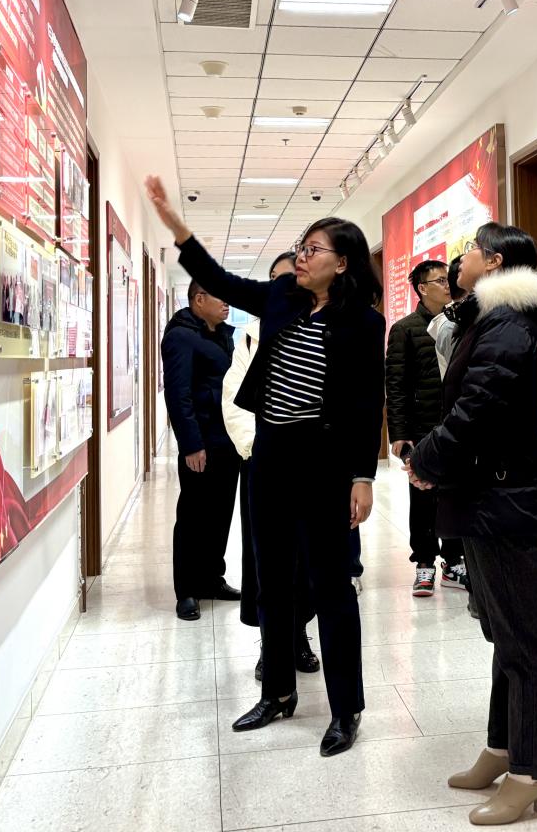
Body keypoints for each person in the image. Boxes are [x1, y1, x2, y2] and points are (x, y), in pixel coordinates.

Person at [146, 175, 384, 758]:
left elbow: (364, 404)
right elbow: (223, 280)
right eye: (301, 247)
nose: (301, 257)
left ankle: (346, 707)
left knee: (331, 586)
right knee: (271, 581)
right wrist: (179, 229)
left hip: (324, 463)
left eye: (313, 250)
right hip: (271, 458)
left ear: (342, 263)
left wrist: (363, 476)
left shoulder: (362, 322)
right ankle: (277, 692)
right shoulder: (281, 297)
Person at [407, 222, 537, 825]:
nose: (460, 259)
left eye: (470, 249)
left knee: (524, 643)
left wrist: (427, 460)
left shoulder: (508, 325)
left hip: (502, 498)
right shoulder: (492, 319)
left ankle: (533, 773)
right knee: (505, 636)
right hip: (486, 494)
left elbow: (476, 411)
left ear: (494, 261)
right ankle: (504, 749)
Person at [222, 250, 320, 682]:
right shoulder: (251, 336)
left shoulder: (321, 327)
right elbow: (234, 399)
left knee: (305, 558)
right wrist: (255, 448)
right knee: (266, 562)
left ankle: (298, 636)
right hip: (262, 463)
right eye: (277, 280)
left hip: (310, 466)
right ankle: (271, 645)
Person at [161, 281, 241, 621]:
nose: (227, 302)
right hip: (201, 443)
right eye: (221, 296)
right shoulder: (181, 336)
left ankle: (211, 578)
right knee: (194, 516)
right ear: (199, 299)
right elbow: (178, 395)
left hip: (228, 441)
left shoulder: (221, 334)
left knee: (220, 514)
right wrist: (191, 445)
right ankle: (187, 591)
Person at [387, 259, 466, 597]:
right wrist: (399, 433)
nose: (448, 285)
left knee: (455, 493)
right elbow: (396, 385)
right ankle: (423, 563)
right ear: (422, 288)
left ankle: (454, 561)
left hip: (455, 426)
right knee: (422, 496)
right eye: (440, 281)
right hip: (421, 428)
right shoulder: (405, 329)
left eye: (448, 279)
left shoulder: (460, 322)